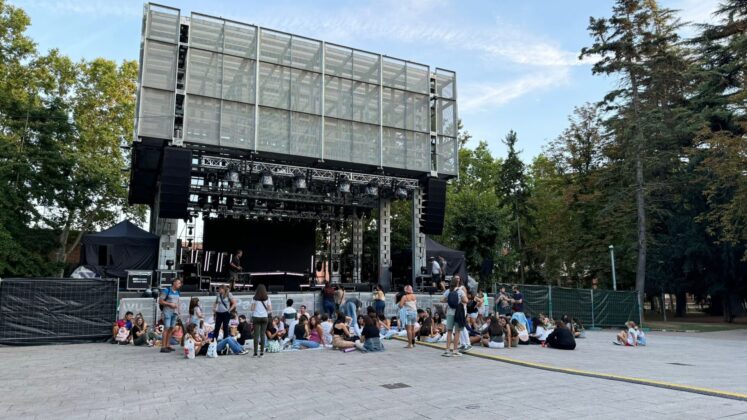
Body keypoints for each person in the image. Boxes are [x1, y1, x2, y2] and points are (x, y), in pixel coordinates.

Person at [440, 274, 468, 357]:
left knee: (449, 332)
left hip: (449, 313)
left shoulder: (448, 291)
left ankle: (447, 350)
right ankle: (455, 350)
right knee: (457, 332)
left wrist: (448, 300)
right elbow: (466, 300)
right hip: (458, 314)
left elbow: (441, 300)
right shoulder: (460, 291)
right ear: (457, 283)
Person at [158, 278, 182, 353]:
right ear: (174, 283)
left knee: (171, 328)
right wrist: (169, 304)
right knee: (166, 328)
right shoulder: (166, 290)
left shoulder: (178, 292)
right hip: (167, 312)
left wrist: (179, 311)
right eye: (178, 283)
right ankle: (163, 346)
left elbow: (178, 301)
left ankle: (168, 345)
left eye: (180, 283)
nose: (180, 285)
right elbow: (160, 301)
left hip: (175, 313)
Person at [250, 284, 272, 357]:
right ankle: (262, 352)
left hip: (256, 317)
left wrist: (256, 306)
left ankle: (255, 353)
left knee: (256, 335)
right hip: (264, 318)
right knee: (262, 335)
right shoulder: (267, 298)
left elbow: (252, 309)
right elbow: (270, 309)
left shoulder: (254, 298)